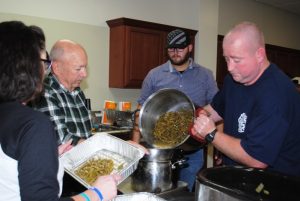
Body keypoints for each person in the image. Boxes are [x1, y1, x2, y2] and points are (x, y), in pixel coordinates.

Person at [0, 21, 121, 201]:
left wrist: (48, 155)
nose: (45, 70)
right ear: (25, 67)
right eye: (43, 62)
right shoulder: (34, 124)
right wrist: (96, 194)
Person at [191, 21, 300, 176]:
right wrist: (194, 115)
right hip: (239, 175)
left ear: (259, 55)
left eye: (236, 60)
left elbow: (256, 159)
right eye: (226, 59)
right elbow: (215, 110)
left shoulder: (276, 95)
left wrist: (211, 134)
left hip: (275, 184)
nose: (229, 67)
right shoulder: (234, 79)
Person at [132, 29, 219, 191]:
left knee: (184, 193)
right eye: (171, 49)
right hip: (161, 151)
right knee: (160, 193)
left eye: (180, 48)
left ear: (190, 48)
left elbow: (219, 109)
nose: (175, 53)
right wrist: (135, 146)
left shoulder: (205, 75)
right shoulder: (154, 75)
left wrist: (219, 145)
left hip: (193, 150)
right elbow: (141, 111)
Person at [33, 39, 92, 146]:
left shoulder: (78, 92)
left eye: (85, 67)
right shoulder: (45, 93)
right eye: (78, 69)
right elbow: (62, 140)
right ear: (56, 68)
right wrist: (100, 145)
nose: (85, 74)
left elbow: (86, 135)